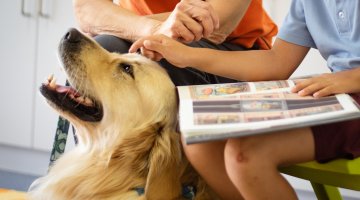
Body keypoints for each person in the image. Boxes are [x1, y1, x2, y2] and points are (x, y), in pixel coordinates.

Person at [129, 0, 360, 199]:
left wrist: (352, 77)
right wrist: (186, 55)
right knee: (201, 142)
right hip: (337, 94)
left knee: (246, 156)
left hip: (346, 93)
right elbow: (276, 63)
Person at [73, 0, 277, 86]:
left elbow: (217, 23)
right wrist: (151, 30)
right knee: (95, 56)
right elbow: (86, 10)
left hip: (234, 51)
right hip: (136, 36)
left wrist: (118, 22)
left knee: (154, 60)